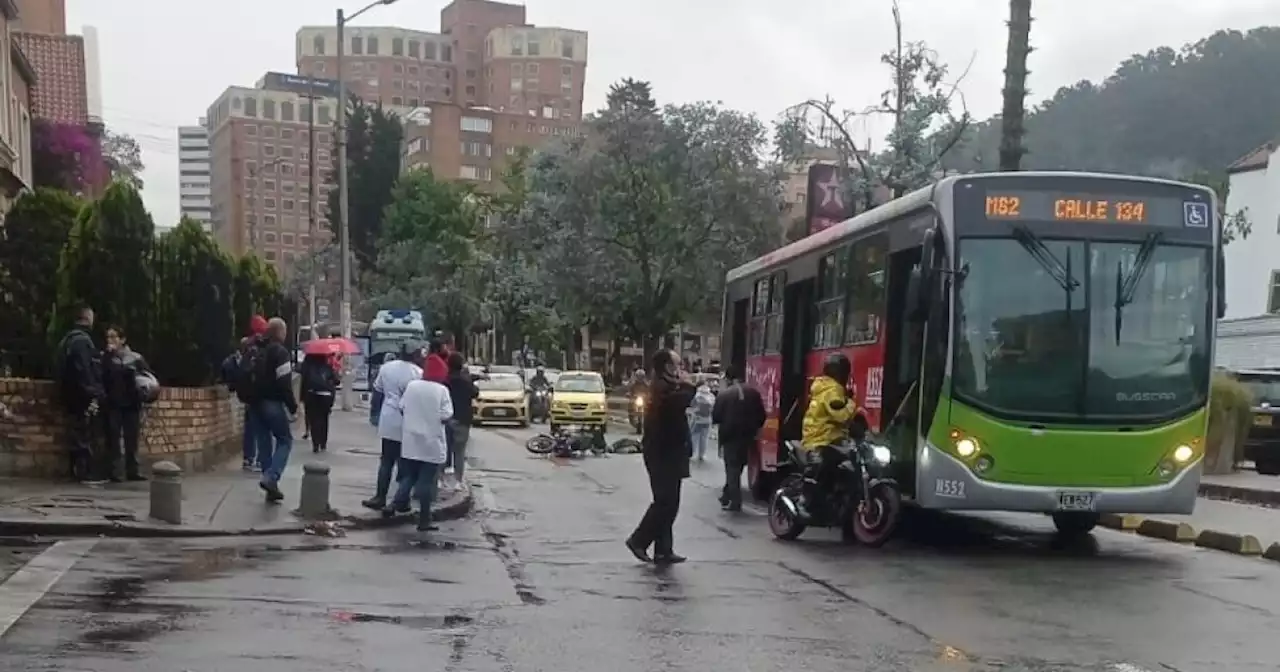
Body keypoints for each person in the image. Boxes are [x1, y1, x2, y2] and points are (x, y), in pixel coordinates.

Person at [625, 350, 697, 565]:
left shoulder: (666, 385)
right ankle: (638, 540)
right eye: (677, 364)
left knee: (671, 503)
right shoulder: (660, 387)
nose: (680, 368)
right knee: (664, 502)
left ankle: (663, 550)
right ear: (666, 366)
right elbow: (678, 402)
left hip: (670, 452)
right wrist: (688, 384)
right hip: (661, 453)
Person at [389, 376, 453, 539]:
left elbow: (402, 407)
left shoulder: (412, 386)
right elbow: (446, 415)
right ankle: (424, 520)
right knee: (425, 482)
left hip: (411, 440)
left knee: (409, 476)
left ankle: (395, 503)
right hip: (431, 443)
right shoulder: (441, 390)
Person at [362, 341, 424, 510]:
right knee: (405, 464)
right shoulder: (418, 373)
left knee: (386, 461)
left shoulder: (387, 368)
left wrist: (374, 413)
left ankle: (380, 496)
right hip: (408, 421)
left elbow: (378, 392)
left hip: (388, 418)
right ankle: (401, 500)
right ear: (415, 355)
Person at [53, 303, 106, 484]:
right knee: (83, 433)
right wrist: (93, 393)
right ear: (87, 318)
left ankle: (77, 471)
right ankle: (84, 473)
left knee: (76, 433)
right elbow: (84, 370)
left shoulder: (66, 340)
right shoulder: (82, 341)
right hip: (80, 396)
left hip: (68, 394)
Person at [799, 352, 858, 512]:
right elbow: (841, 415)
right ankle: (805, 500)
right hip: (819, 439)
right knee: (819, 467)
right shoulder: (832, 390)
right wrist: (852, 403)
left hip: (830, 438)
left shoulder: (826, 386)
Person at [253, 317, 298, 503]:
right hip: (272, 401)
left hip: (254, 403)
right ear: (280, 332)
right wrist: (293, 407)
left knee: (264, 443)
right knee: (285, 440)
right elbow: (284, 382)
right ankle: (271, 477)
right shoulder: (280, 352)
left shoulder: (256, 349)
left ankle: (270, 485)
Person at [100, 325, 151, 482]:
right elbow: (101, 377)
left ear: (122, 339)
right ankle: (115, 471)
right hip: (114, 403)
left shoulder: (135, 358)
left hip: (132, 403)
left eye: (114, 337)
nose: (111, 340)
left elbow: (146, 377)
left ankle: (133, 470)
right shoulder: (106, 358)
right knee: (114, 438)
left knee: (132, 438)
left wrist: (143, 394)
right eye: (108, 337)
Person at [712, 366, 766, 511]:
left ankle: (735, 501)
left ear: (729, 378)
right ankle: (727, 494)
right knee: (738, 466)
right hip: (748, 435)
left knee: (732, 468)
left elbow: (716, 417)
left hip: (729, 436)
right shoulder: (753, 393)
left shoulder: (724, 395)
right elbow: (762, 415)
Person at [222, 315, 269, 472]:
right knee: (257, 427)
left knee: (253, 427)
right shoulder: (255, 348)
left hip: (248, 392)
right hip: (255, 393)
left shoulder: (246, 345)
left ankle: (251, 459)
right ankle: (253, 459)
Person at [444, 351, 479, 491]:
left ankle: (440, 478)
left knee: (444, 450)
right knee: (459, 452)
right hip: (462, 419)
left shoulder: (445, 380)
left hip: (446, 418)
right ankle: (458, 481)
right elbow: (475, 392)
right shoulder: (465, 381)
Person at [298, 351, 340, 453]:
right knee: (324, 419)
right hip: (326, 397)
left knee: (313, 420)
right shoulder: (327, 367)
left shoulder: (307, 367)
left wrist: (302, 397)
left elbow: (303, 382)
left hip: (311, 396)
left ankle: (315, 443)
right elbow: (336, 381)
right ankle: (323, 442)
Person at [687, 382, 715, 461]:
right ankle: (702, 455)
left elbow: (692, 404)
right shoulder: (711, 396)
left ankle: (692, 453)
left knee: (694, 436)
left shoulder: (697, 395)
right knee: (704, 438)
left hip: (697, 419)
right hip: (708, 419)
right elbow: (713, 407)